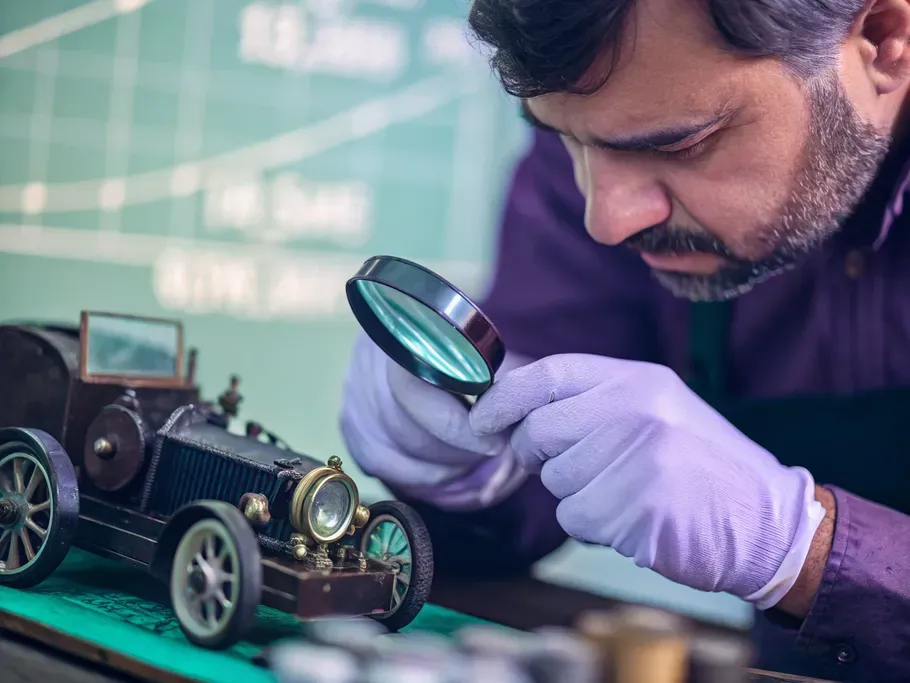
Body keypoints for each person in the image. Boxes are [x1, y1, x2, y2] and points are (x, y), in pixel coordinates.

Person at [339, 0, 910, 680]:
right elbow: (523, 482)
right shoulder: (602, 124)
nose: (606, 218)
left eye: (679, 144)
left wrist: (804, 547)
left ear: (882, 40)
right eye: (563, 139)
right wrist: (462, 478)